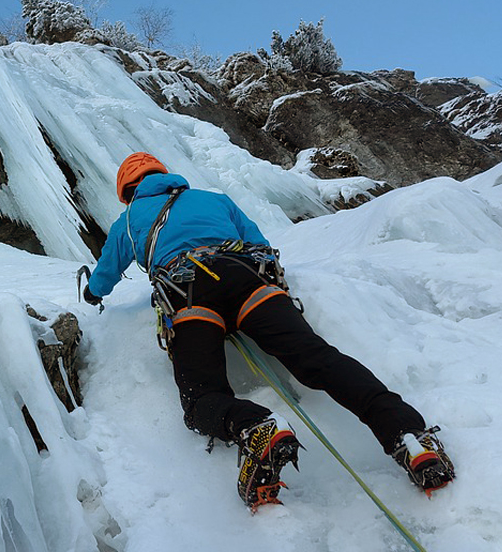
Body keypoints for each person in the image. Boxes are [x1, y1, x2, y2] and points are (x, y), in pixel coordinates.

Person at [82, 152, 455, 508]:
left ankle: (254, 426)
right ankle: (409, 434)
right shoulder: (214, 200)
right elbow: (258, 242)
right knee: (319, 360)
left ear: (128, 190)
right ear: (166, 176)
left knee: (201, 399)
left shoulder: (129, 220)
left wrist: (91, 292)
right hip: (250, 282)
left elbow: (107, 273)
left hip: (189, 294)